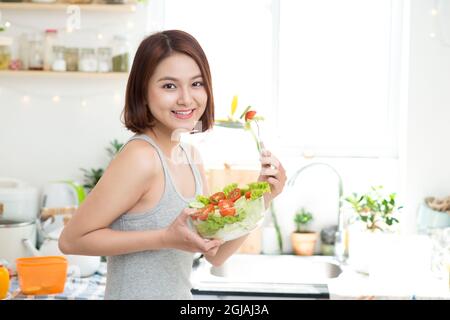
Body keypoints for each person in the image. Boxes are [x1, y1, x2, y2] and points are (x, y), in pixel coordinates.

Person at [59, 30, 287, 300]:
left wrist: (263, 197)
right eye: (169, 86)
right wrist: (165, 238)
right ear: (143, 93)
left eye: (196, 84)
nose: (186, 99)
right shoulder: (141, 157)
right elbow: (71, 240)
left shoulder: (191, 157)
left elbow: (215, 253)